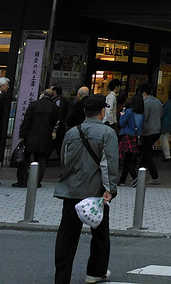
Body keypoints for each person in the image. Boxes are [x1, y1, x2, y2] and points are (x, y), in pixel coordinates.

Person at [53, 94, 119, 284]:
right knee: (100, 234)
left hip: (71, 190)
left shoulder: (72, 132)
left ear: (84, 112)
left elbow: (64, 160)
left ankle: (61, 277)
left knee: (66, 236)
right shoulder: (108, 133)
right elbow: (109, 163)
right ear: (102, 112)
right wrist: (110, 188)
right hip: (96, 191)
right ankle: (95, 272)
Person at [16, 87, 59, 187]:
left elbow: (26, 121)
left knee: (25, 159)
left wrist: (22, 135)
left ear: (42, 94)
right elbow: (55, 122)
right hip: (45, 137)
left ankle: (22, 181)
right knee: (41, 161)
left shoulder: (34, 104)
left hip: (31, 136)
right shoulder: (54, 107)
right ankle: (36, 182)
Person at [118, 92, 144, 186]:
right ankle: (122, 180)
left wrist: (122, 113)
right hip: (136, 137)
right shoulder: (142, 114)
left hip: (127, 136)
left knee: (127, 160)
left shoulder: (129, 111)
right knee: (129, 159)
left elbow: (122, 123)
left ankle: (135, 177)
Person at [138, 84, 162, 183]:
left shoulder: (146, 103)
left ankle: (155, 177)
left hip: (147, 131)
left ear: (144, 94)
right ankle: (139, 176)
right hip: (157, 130)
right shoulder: (158, 102)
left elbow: (144, 118)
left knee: (147, 155)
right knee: (145, 154)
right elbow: (161, 115)